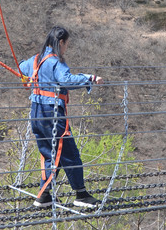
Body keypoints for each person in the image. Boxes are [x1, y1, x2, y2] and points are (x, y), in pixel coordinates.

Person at [19, 26, 103, 208]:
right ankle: (81, 194)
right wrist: (89, 78)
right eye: (66, 45)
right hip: (53, 115)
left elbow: (21, 68)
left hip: (36, 114)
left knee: (49, 154)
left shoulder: (35, 60)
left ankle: (44, 195)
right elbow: (66, 80)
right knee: (69, 152)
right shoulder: (56, 62)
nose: (66, 49)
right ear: (61, 42)